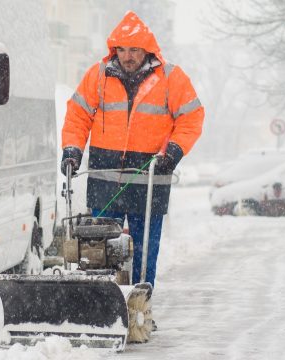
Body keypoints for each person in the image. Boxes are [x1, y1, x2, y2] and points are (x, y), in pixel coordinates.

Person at [61, 11, 204, 288]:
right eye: (122, 49)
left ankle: (140, 306)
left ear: (147, 50)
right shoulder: (98, 76)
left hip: (150, 182)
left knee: (143, 255)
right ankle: (103, 303)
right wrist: (72, 150)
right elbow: (77, 116)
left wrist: (173, 151)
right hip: (105, 182)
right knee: (99, 253)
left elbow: (192, 117)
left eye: (134, 50)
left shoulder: (171, 78)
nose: (127, 56)